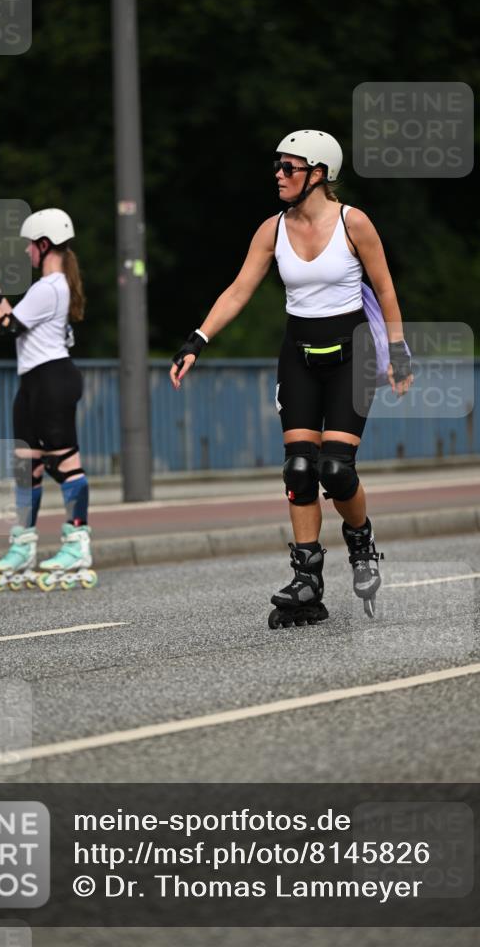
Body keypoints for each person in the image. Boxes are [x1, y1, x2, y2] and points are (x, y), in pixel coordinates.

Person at [170, 130, 413, 626]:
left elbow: (385, 289)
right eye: (278, 167)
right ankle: (307, 580)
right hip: (298, 356)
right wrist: (197, 340)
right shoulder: (272, 229)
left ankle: (361, 540)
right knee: (299, 470)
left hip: (352, 356)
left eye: (289, 167)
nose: (278, 175)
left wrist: (399, 351)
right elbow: (239, 290)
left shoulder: (353, 223)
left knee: (336, 470)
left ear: (318, 174)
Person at [0, 208, 97, 591]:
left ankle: (78, 544)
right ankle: (23, 545)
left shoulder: (50, 286)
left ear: (44, 244)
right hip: (33, 382)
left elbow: (5, 327)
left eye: (30, 244)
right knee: (27, 466)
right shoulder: (48, 288)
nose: (26, 251)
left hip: (51, 380)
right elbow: (16, 317)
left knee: (65, 463)